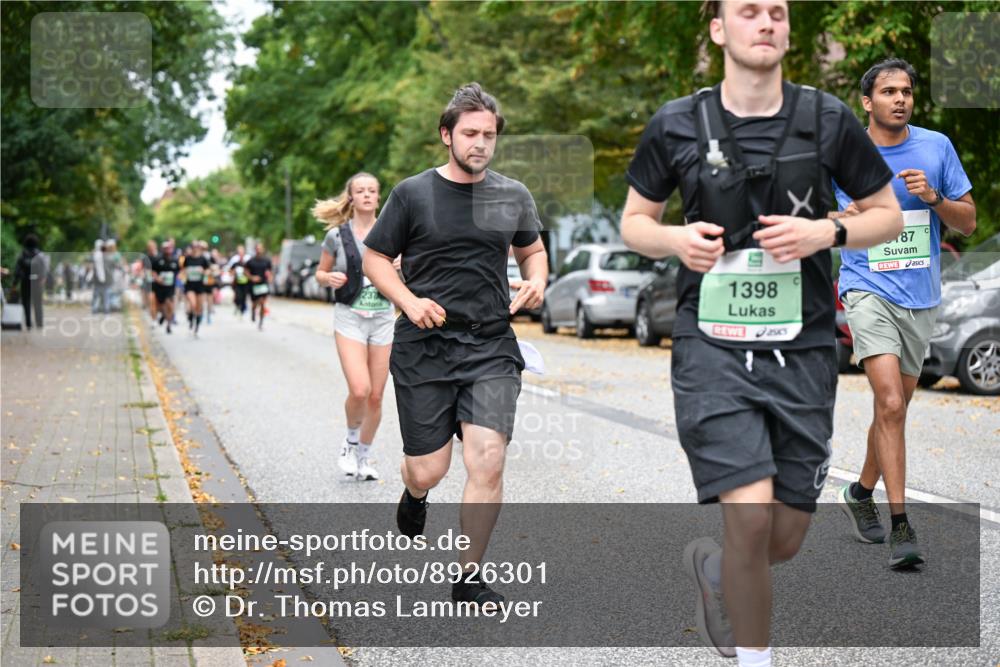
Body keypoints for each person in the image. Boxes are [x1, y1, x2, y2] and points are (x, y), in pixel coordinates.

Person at [619, 2, 903, 664]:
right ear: (719, 29)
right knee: (748, 517)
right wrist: (674, 240)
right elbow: (635, 221)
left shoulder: (827, 118)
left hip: (802, 347)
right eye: (749, 11)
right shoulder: (677, 123)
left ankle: (719, 570)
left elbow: (888, 215)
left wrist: (826, 231)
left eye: (777, 11)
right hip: (710, 345)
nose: (767, 22)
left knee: (784, 536)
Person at [364, 83, 548, 607]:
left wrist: (537, 280)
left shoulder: (513, 195)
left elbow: (532, 251)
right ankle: (414, 491)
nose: (480, 143)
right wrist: (408, 301)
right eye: (470, 133)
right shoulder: (412, 194)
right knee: (430, 468)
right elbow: (376, 258)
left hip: (490, 345)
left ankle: (469, 577)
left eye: (489, 134)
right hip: (424, 347)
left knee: (488, 459)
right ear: (447, 135)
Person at [832, 58, 975, 568]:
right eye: (889, 91)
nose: (900, 99)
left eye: (907, 91)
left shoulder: (936, 148)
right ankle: (901, 528)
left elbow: (968, 221)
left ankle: (859, 492)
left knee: (895, 408)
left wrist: (933, 198)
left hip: (921, 296)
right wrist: (843, 216)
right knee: (890, 402)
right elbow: (811, 213)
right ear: (867, 102)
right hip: (866, 288)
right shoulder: (845, 151)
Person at [314, 173, 394, 481]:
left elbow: (412, 272)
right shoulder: (337, 235)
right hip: (350, 317)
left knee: (376, 396)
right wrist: (328, 278)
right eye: (360, 191)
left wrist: (403, 265)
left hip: (383, 317)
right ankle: (349, 443)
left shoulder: (392, 232)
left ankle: (364, 455)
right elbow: (320, 273)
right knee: (360, 390)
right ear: (351, 197)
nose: (367, 195)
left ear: (378, 196)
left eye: (372, 190)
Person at [13, 233, 48, 330]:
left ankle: (28, 323)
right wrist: (43, 278)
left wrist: (14, 284)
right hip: (37, 281)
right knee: (38, 303)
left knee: (26, 302)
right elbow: (44, 268)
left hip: (25, 281)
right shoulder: (40, 255)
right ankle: (39, 323)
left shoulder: (22, 255)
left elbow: (17, 270)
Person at [181, 241, 211, 337]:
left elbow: (208, 270)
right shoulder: (187, 259)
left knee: (199, 307)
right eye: (193, 247)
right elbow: (183, 270)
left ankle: (196, 327)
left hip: (200, 285)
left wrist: (203, 272)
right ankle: (190, 320)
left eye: (197, 247)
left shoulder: (203, 259)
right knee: (193, 304)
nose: (195, 248)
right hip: (190, 285)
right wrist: (185, 273)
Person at [152, 241, 180, 334]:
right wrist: (157, 278)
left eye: (169, 248)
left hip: (170, 287)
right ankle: (164, 316)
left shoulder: (175, 260)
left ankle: (169, 324)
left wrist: (179, 283)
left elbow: (180, 272)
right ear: (163, 249)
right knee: (161, 306)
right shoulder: (158, 260)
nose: (168, 250)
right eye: (166, 249)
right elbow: (153, 272)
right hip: (160, 287)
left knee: (170, 304)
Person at [245, 242, 273, 330]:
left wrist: (270, 278)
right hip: (254, 285)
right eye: (257, 249)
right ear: (255, 250)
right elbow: (245, 271)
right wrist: (252, 277)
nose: (259, 250)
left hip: (263, 284)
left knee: (262, 303)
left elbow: (270, 271)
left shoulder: (267, 261)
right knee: (255, 303)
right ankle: (253, 310)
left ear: (263, 250)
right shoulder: (251, 261)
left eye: (260, 248)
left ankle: (261, 322)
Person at [228, 245, 252, 318]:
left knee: (244, 297)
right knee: (238, 296)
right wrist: (233, 272)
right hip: (237, 282)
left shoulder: (248, 262)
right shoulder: (235, 262)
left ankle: (243, 309)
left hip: (246, 282)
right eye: (239, 252)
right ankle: (238, 305)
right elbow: (230, 271)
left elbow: (251, 271)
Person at [91, 240, 110, 315]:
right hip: (101, 279)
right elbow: (100, 268)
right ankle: (103, 310)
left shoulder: (97, 254)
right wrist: (102, 278)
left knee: (99, 295)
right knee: (103, 295)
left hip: (99, 278)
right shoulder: (99, 255)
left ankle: (98, 310)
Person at [142, 239, 158, 320]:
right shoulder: (145, 258)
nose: (151, 249)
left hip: (159, 284)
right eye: (150, 247)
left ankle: (157, 315)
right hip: (149, 283)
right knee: (151, 301)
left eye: (153, 247)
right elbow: (144, 270)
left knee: (157, 302)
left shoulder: (159, 257)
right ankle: (153, 319)